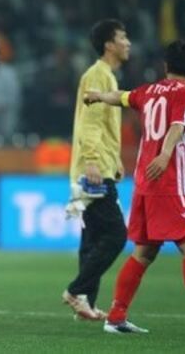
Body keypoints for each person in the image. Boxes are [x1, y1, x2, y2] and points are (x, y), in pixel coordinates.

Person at [85, 39, 185, 335]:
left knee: (144, 253)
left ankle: (116, 315)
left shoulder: (148, 91)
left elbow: (122, 97)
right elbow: (177, 125)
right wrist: (165, 153)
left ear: (165, 65)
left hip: (144, 184)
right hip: (168, 182)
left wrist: (97, 96)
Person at [63, 19, 130, 320]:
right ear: (109, 44)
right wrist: (93, 159)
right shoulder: (98, 76)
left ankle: (85, 303)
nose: (128, 42)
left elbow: (102, 124)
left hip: (96, 165)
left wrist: (114, 159)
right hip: (92, 170)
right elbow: (90, 122)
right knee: (116, 235)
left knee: (91, 237)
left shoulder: (105, 77)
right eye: (123, 37)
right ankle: (76, 290)